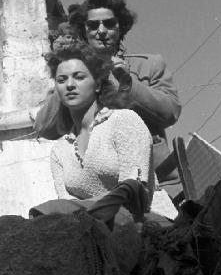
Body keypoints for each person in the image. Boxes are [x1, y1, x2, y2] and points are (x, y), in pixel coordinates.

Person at [36, 42, 176, 227]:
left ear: (97, 84)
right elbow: (66, 210)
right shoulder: (60, 150)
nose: (69, 85)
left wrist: (76, 208)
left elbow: (134, 191)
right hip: (96, 234)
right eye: (61, 80)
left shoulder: (124, 121)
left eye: (79, 77)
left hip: (149, 225)